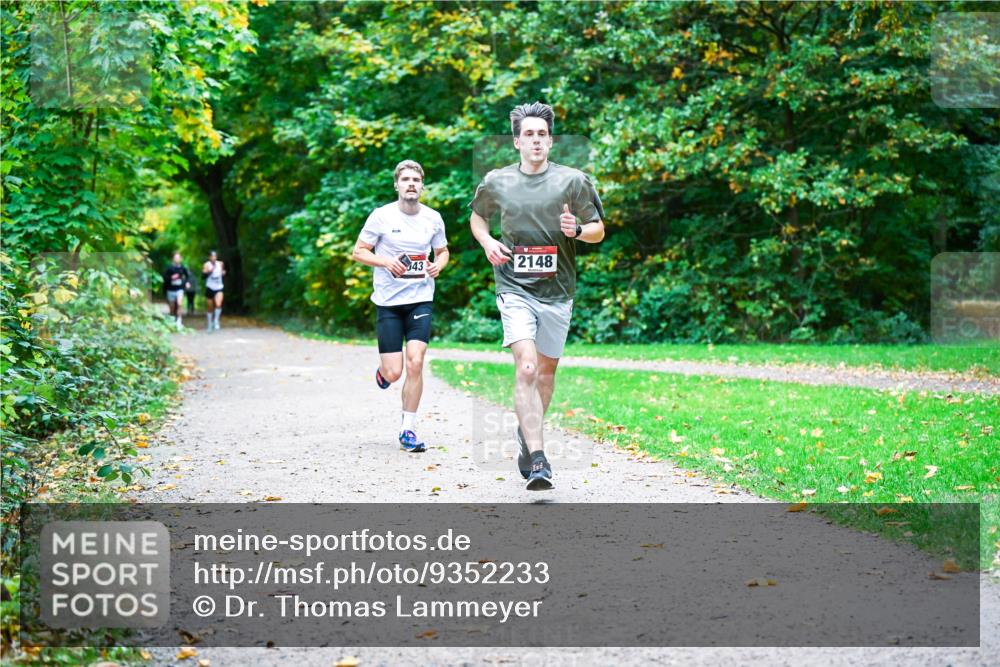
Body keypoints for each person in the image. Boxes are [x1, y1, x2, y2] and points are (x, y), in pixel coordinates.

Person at [469, 102, 606, 490]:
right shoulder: (497, 181)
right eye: (528, 134)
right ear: (516, 141)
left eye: (542, 134)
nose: (535, 140)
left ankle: (526, 435)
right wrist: (487, 242)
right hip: (514, 287)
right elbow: (477, 217)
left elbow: (598, 229)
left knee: (545, 374)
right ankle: (540, 460)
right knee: (527, 367)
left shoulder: (573, 181)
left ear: (551, 141)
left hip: (558, 292)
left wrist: (576, 230)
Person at [352, 160, 449, 453]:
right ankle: (384, 373)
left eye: (416, 180)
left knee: (416, 361)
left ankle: (408, 429)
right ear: (397, 185)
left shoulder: (433, 218)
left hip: (420, 298)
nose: (411, 184)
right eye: (405, 179)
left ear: (422, 186)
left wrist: (438, 265)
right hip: (389, 303)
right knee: (395, 372)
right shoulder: (381, 216)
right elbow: (359, 252)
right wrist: (386, 262)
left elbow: (443, 251)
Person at [162, 252, 191, 331]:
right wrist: (171, 278)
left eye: (178, 258)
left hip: (180, 289)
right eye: (176, 258)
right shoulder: (169, 268)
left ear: (181, 259)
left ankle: (179, 321)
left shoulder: (183, 268)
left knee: (179, 304)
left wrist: (187, 283)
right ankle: (172, 321)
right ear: (173, 259)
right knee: (172, 308)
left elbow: (188, 276)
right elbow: (164, 278)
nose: (177, 259)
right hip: (170, 290)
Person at [202, 250, 225, 332]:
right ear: (209, 257)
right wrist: (209, 271)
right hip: (210, 287)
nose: (213, 258)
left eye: (215, 256)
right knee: (210, 307)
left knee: (218, 304)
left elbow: (222, 272)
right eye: (212, 256)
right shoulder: (206, 265)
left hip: (219, 287)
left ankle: (216, 321)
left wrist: (223, 273)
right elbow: (203, 277)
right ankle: (209, 323)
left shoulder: (220, 264)